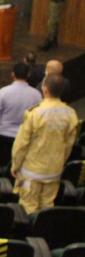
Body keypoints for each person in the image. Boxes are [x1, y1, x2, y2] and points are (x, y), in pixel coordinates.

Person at [12, 74, 78, 213]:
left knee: (28, 208)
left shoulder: (35, 113)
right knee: (47, 207)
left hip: (32, 171)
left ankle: (30, 234)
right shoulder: (71, 114)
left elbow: (22, 144)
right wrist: (59, 162)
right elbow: (68, 145)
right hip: (54, 171)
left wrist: (15, 165)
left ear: (45, 89)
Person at [0, 63, 43, 171]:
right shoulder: (37, 94)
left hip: (4, 136)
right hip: (25, 137)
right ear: (28, 75)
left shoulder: (4, 92)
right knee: (21, 167)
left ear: (13, 74)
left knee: (3, 166)